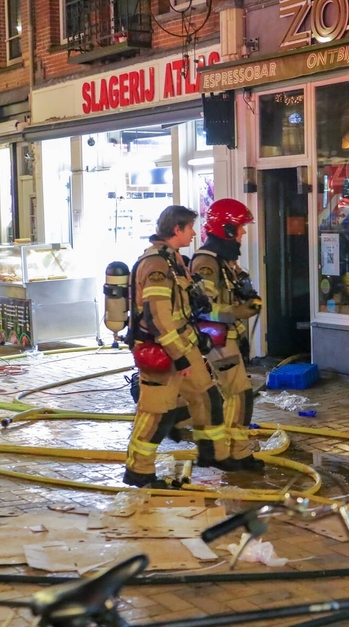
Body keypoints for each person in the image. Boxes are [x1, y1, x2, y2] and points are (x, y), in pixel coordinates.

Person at [123, 205, 235, 488]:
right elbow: (158, 318)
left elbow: (181, 308)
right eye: (189, 228)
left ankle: (213, 455)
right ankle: (139, 471)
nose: (194, 233)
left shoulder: (174, 261)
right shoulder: (157, 266)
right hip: (162, 352)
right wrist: (180, 358)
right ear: (177, 229)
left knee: (207, 397)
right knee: (157, 414)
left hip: (184, 346)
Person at [190, 199, 264, 472]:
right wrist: (238, 311)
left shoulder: (225, 261)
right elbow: (203, 309)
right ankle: (235, 454)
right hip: (218, 338)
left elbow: (239, 290)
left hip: (230, 337)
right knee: (240, 394)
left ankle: (234, 452)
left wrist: (248, 296)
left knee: (237, 396)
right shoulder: (206, 261)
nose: (244, 233)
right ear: (227, 229)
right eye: (240, 228)